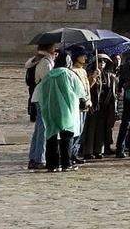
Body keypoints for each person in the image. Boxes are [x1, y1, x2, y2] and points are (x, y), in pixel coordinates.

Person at [37, 54, 89, 172]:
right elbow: (80, 91)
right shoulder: (69, 74)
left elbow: (41, 92)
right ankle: (66, 163)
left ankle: (52, 164)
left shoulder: (48, 75)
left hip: (50, 108)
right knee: (67, 136)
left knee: (51, 136)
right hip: (67, 109)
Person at [24, 41, 57, 170]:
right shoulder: (45, 62)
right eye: (53, 47)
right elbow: (48, 80)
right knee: (43, 129)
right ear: (49, 48)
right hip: (44, 96)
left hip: (38, 96)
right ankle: (39, 158)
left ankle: (34, 157)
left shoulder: (38, 59)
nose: (55, 49)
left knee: (39, 128)